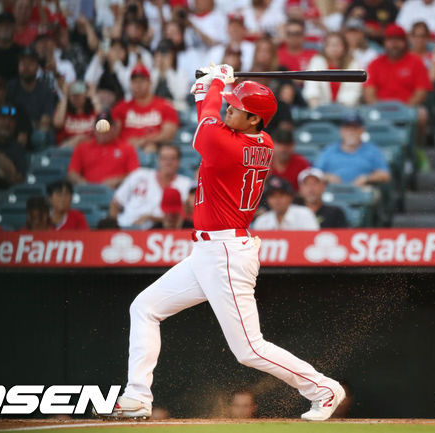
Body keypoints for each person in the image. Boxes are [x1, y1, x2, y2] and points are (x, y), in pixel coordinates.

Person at [103, 63, 345, 421]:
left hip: (226, 254)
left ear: (253, 121)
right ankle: (138, 395)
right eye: (229, 105)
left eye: (237, 108)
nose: (229, 109)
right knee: (144, 307)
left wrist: (215, 81)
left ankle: (322, 388)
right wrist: (213, 86)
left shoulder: (225, 145)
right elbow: (209, 110)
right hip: (208, 251)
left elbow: (206, 119)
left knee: (248, 349)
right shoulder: (262, 141)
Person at [363, 24, 432, 139]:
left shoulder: (416, 62)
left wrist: (404, 110)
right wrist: (379, 110)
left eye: (398, 40)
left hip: (407, 108)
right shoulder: (375, 63)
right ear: (384, 43)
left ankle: (416, 149)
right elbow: (369, 93)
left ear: (405, 42)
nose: (394, 44)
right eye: (390, 40)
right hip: (380, 109)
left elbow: (421, 92)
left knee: (422, 115)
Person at [109, 144, 194, 229]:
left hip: (159, 230)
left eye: (172, 158)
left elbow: (183, 216)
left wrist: (151, 218)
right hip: (125, 226)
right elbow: (116, 203)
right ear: (158, 160)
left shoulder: (186, 184)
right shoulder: (139, 175)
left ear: (179, 161)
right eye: (164, 158)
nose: (168, 162)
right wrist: (114, 228)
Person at [111, 65, 180, 153]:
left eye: (142, 81)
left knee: (150, 148)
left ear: (150, 83)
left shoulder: (165, 105)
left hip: (154, 151)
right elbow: (112, 134)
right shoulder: (120, 107)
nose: (138, 85)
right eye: (135, 82)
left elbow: (168, 135)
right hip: (126, 150)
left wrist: (144, 140)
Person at [315, 113, 391, 187]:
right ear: (341, 131)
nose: (351, 132)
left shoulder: (372, 150)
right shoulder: (329, 151)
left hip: (363, 192)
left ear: (362, 131)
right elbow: (315, 173)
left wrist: (367, 178)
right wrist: (328, 177)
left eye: (355, 129)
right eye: (347, 128)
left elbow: (385, 175)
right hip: (334, 192)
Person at [67, 112, 140, 188]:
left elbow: (135, 174)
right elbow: (72, 173)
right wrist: (83, 184)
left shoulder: (127, 148)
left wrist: (118, 180)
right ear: (94, 128)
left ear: (113, 128)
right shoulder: (81, 148)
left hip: (116, 192)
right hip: (88, 193)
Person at [302, 32, 362, 108]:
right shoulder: (317, 61)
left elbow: (355, 91)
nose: (334, 48)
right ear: (325, 47)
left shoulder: (353, 64)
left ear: (344, 47)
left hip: (347, 110)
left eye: (337, 45)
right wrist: (315, 106)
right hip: (321, 110)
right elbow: (311, 87)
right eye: (330, 45)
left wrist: (341, 108)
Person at [6, 47, 58, 132]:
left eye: (30, 63)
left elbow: (45, 120)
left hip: (37, 131)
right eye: (23, 63)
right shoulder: (10, 87)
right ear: (18, 66)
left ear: (37, 67)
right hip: (14, 130)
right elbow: (4, 110)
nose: (26, 67)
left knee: (42, 135)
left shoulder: (45, 89)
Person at [252, 175, 319, 230]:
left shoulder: (304, 214)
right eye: (272, 196)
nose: (277, 200)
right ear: (267, 199)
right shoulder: (262, 220)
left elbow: (312, 240)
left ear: (290, 197)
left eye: (281, 195)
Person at [0, 105, 28, 185]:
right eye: (3, 118)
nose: (7, 123)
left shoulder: (17, 148)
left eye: (11, 119)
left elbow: (20, 178)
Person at [53, 81, 101, 148]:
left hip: (89, 148)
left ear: (85, 95)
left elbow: (102, 122)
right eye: (73, 96)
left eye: (79, 95)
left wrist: (93, 95)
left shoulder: (93, 111)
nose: (76, 98)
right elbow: (57, 124)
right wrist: (65, 96)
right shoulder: (64, 111)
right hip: (67, 150)